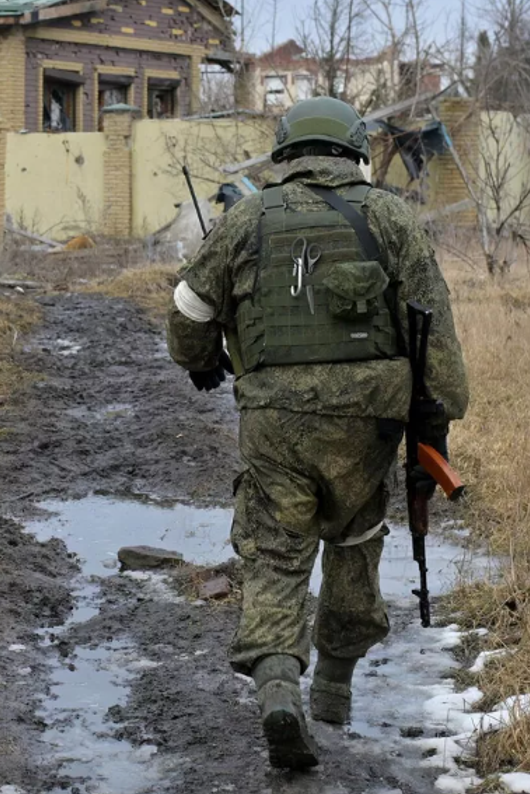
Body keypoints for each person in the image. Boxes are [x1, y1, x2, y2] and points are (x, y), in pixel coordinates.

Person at [165, 97, 469, 769]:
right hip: (368, 427)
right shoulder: (391, 217)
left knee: (274, 552)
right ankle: (333, 688)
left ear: (286, 153)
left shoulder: (246, 219)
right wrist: (436, 426)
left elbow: (187, 309)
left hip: (277, 424)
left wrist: (202, 362)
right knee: (357, 538)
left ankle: (278, 683)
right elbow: (437, 342)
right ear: (352, 151)